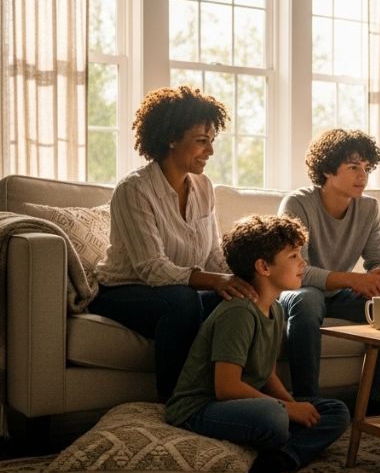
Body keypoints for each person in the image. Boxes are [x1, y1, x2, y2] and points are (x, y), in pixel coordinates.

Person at [92, 86, 258, 399]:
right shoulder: (134, 190)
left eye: (211, 141)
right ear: (171, 138)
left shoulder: (204, 186)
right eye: (201, 141)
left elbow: (212, 257)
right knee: (182, 301)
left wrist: (239, 283)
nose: (210, 151)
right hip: (123, 292)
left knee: (242, 302)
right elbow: (153, 270)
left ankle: (241, 396)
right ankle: (175, 403)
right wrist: (213, 280)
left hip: (182, 292)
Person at [164, 215, 350, 473]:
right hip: (202, 408)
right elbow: (225, 388)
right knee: (273, 418)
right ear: (264, 266)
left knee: (336, 411)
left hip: (245, 404)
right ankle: (283, 444)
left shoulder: (275, 308)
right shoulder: (239, 312)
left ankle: (283, 457)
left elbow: (266, 374)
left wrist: (293, 404)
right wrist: (286, 410)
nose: (303, 263)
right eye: (294, 256)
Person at [278, 129, 380, 407]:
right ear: (327, 169)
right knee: (308, 299)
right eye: (353, 167)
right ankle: (308, 400)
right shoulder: (298, 203)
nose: (363, 176)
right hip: (297, 291)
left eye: (366, 168)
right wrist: (352, 280)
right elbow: (296, 271)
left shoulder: (368, 208)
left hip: (339, 295)